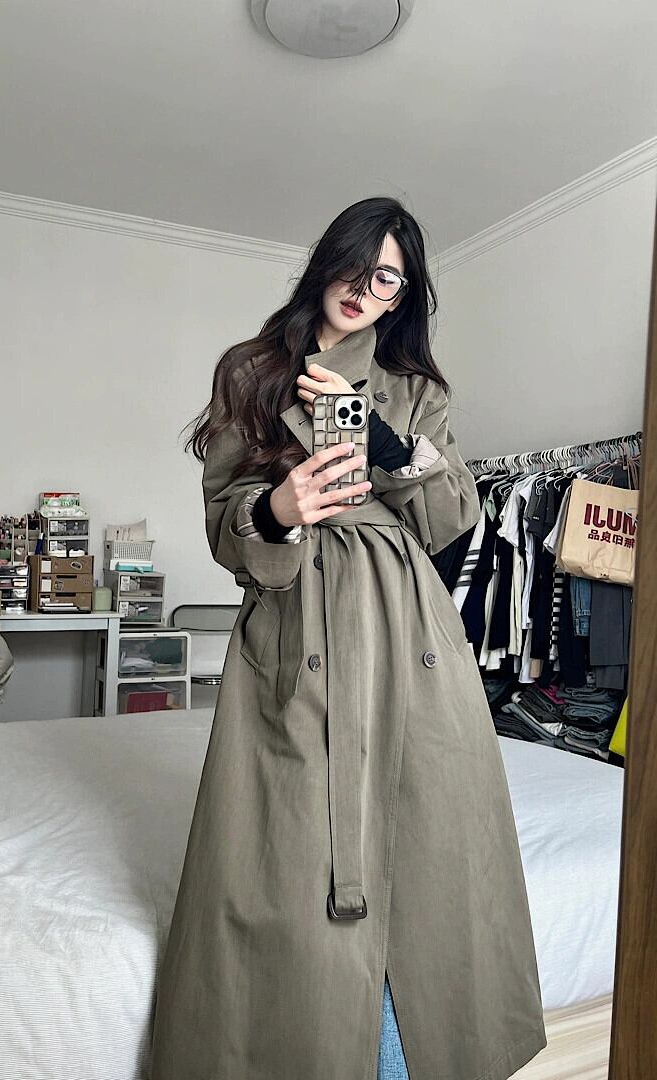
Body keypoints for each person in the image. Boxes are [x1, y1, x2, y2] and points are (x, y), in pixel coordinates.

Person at [150, 197, 547, 1080]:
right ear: (328, 260)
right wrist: (276, 509)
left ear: (403, 294)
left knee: (426, 831)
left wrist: (377, 434)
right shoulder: (252, 371)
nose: (366, 290)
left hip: (404, 621)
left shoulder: (416, 389)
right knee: (285, 841)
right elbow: (224, 524)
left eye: (389, 279)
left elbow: (450, 520)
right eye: (358, 266)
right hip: (296, 614)